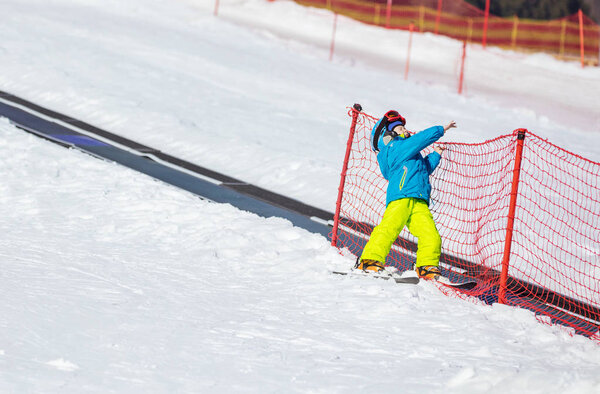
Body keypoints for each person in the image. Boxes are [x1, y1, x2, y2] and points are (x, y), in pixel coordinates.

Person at [355, 110, 456, 280]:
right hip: (401, 196)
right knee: (389, 229)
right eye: (400, 128)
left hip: (419, 200)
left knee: (430, 234)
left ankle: (426, 266)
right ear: (389, 134)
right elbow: (420, 139)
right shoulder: (394, 148)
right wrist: (441, 130)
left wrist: (436, 155)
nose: (405, 130)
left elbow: (423, 169)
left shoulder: (408, 153)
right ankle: (369, 260)